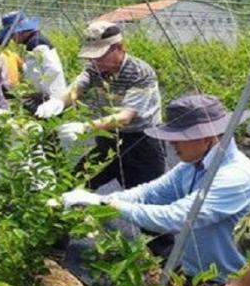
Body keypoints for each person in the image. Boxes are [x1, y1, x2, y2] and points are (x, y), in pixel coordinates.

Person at [61, 93, 250, 286]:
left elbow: (175, 218)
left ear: (206, 138)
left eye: (179, 138)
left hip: (225, 280)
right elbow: (151, 193)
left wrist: (107, 205)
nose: (172, 145)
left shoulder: (237, 176)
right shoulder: (193, 165)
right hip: (192, 269)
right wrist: (99, 200)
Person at [36, 21, 166, 189]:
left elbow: (125, 117)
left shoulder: (140, 73)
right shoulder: (95, 68)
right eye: (91, 57)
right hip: (108, 137)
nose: (95, 61)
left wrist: (85, 127)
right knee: (75, 183)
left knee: (143, 195)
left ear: (118, 48)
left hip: (142, 142)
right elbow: (78, 88)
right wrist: (59, 102)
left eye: (99, 56)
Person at [0, 11, 66, 113]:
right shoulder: (32, 42)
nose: (12, 39)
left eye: (12, 35)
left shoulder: (37, 43)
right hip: (45, 97)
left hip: (50, 97)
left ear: (20, 31)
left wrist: (43, 91)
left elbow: (54, 68)